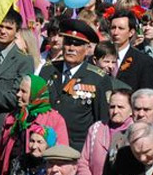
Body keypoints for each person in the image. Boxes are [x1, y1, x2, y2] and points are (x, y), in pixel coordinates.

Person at [0, 74, 68, 175]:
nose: (18, 95)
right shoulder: (13, 118)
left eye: (23, 92)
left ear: (36, 94)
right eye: (18, 90)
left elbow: (61, 158)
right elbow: (0, 155)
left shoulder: (54, 120)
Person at [40, 19, 111, 151]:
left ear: (87, 48)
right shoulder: (48, 70)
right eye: (68, 43)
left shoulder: (98, 78)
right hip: (46, 145)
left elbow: (101, 121)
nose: (71, 48)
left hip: (76, 150)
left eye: (77, 45)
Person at [77, 89, 133, 175]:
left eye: (120, 107)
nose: (115, 111)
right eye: (112, 107)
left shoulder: (136, 132)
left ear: (131, 110)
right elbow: (83, 162)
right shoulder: (96, 129)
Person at [109, 9, 153, 92]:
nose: (115, 32)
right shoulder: (99, 56)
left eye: (121, 28)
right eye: (113, 28)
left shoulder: (143, 61)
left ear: (131, 32)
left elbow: (146, 94)